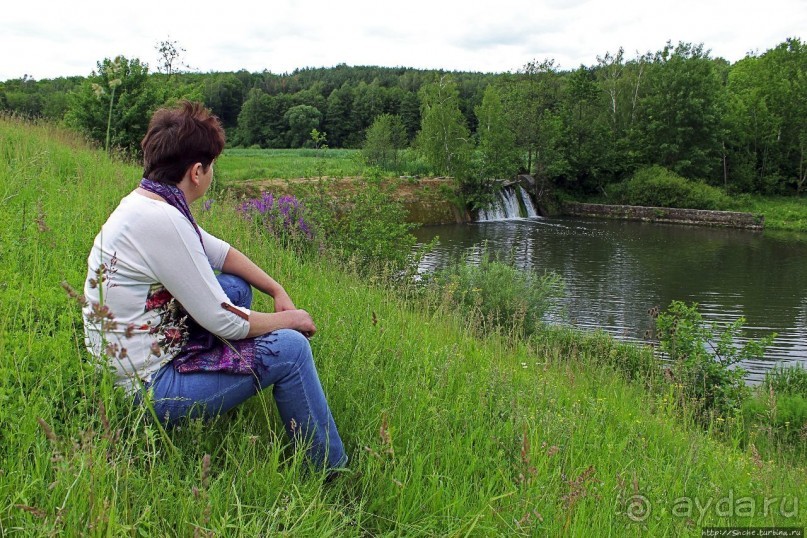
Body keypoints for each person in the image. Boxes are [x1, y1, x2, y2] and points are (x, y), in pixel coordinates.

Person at [82, 101, 346, 471]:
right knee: (292, 349)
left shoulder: (148, 203)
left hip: (139, 351)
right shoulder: (163, 221)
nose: (212, 174)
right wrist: (292, 319)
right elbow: (228, 323)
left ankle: (223, 375)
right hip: (146, 391)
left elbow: (219, 253)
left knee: (235, 287)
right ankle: (331, 470)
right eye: (212, 166)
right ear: (196, 172)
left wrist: (276, 289)